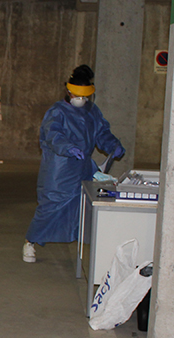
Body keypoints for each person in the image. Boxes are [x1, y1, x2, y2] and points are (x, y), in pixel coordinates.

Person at [23, 65, 124, 263]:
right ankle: (31, 241)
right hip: (59, 169)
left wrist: (113, 145)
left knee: (82, 207)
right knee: (51, 206)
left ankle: (84, 246)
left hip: (83, 167)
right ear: (69, 91)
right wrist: (67, 147)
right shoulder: (57, 112)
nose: (81, 100)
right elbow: (53, 134)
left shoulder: (92, 112)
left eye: (85, 96)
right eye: (78, 95)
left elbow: (102, 132)